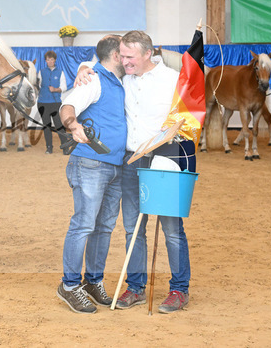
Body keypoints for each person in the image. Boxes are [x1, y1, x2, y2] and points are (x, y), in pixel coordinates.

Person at [76, 30, 193, 314]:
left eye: (130, 56)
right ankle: (136, 287)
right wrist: (84, 67)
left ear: (148, 54)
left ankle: (179, 289)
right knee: (133, 229)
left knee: (172, 229)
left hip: (166, 158)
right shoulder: (123, 78)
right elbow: (101, 63)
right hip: (131, 161)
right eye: (122, 56)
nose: (124, 61)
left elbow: (189, 116)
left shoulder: (172, 80)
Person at [56, 35, 126, 314]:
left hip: (115, 165)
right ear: (116, 56)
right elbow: (67, 106)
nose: (129, 57)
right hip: (90, 164)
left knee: (104, 227)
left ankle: (93, 281)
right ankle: (70, 285)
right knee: (84, 224)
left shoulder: (118, 80)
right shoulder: (94, 80)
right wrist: (73, 126)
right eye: (125, 53)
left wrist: (84, 65)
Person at [37, 50, 68, 154]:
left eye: (51, 59)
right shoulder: (41, 72)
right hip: (42, 103)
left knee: (59, 125)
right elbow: (38, 86)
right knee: (46, 126)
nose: (50, 61)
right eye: (48, 60)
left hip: (55, 103)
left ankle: (65, 147)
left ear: (55, 60)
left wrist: (55, 89)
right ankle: (49, 147)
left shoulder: (60, 72)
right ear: (45, 61)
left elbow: (64, 87)